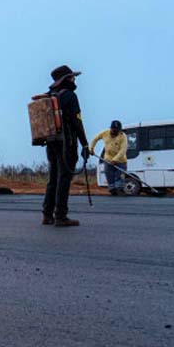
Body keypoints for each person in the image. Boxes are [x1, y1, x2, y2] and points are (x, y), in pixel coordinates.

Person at [41, 65, 89, 227]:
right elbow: (77, 122)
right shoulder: (69, 96)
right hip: (66, 143)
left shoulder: (49, 96)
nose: (74, 79)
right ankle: (61, 215)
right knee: (64, 178)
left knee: (53, 178)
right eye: (72, 77)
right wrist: (85, 144)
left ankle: (47, 215)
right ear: (66, 79)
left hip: (51, 143)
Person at [90, 120, 128, 195]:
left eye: (118, 130)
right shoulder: (105, 133)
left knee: (119, 177)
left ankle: (120, 190)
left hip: (121, 161)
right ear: (111, 128)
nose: (116, 131)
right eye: (114, 129)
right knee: (109, 177)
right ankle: (112, 191)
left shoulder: (123, 136)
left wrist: (115, 160)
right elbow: (95, 139)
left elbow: (123, 150)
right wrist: (91, 149)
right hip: (108, 160)